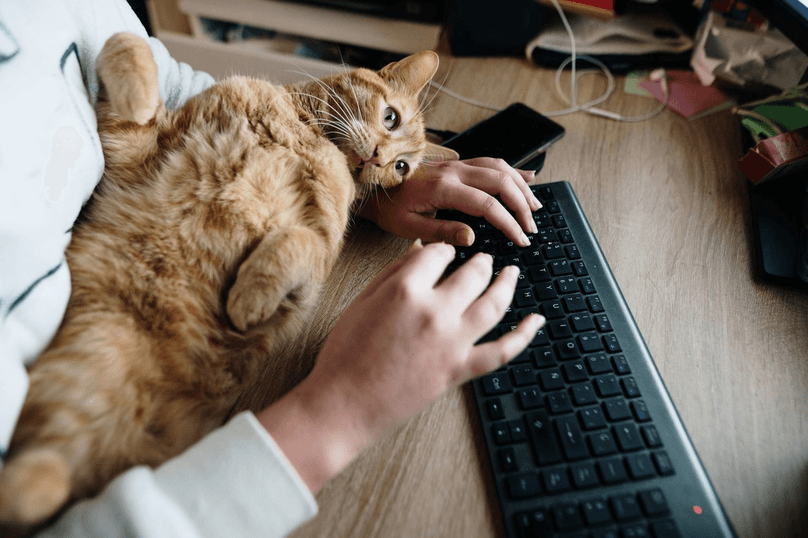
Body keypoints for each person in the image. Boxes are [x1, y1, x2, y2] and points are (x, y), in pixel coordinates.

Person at [0, 0, 544, 535]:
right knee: (73, 431)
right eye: (390, 120)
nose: (383, 155)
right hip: (121, 298)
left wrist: (381, 188)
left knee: (86, 427)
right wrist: (343, 409)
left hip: (168, 310)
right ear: (377, 77)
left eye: (398, 164)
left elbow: (173, 96)